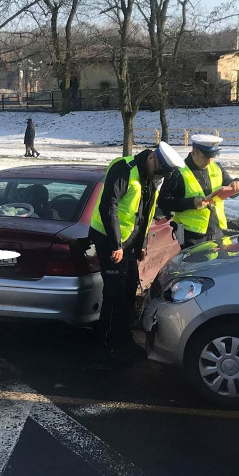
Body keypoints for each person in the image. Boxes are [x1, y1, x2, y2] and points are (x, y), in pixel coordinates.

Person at [89, 141, 181, 364]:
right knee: (115, 293)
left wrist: (140, 245)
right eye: (158, 171)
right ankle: (105, 343)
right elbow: (107, 206)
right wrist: (116, 245)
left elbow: (145, 213)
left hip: (129, 242)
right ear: (152, 158)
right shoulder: (125, 169)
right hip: (109, 238)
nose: (159, 176)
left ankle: (123, 338)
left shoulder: (152, 178)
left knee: (130, 289)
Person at [159, 134, 239, 248]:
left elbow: (231, 186)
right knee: (196, 266)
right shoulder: (178, 172)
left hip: (217, 232)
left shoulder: (216, 168)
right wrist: (191, 203)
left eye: (212, 157)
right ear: (194, 153)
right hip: (192, 236)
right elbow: (163, 202)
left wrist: (236, 183)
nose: (209, 162)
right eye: (206, 157)